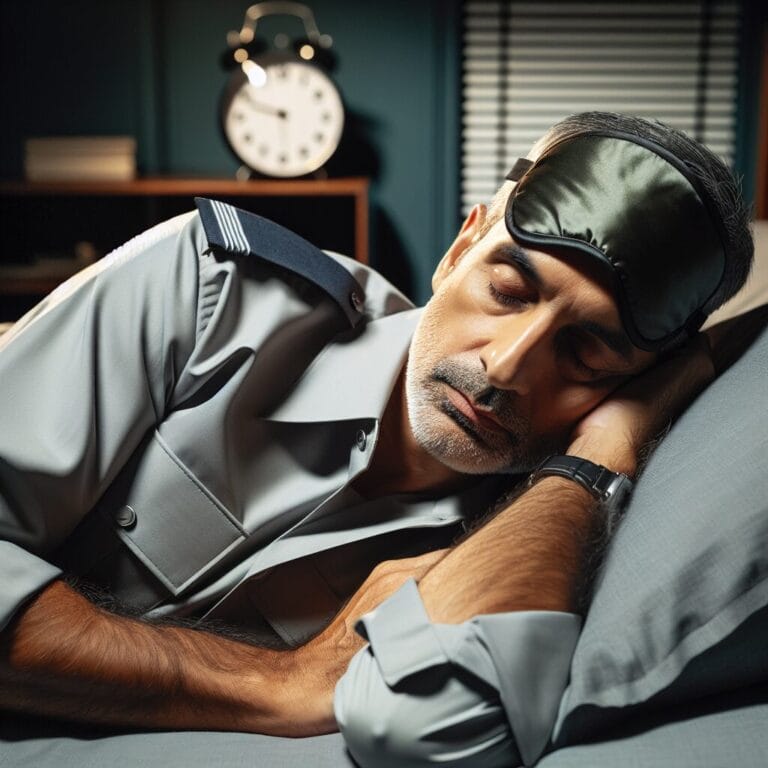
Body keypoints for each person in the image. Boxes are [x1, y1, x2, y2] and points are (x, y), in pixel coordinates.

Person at [0, 112, 754, 767]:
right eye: (508, 290)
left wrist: (598, 457)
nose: (506, 367)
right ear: (461, 248)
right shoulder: (211, 292)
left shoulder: (521, 542)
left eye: (587, 353)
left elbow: (424, 731)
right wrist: (278, 682)